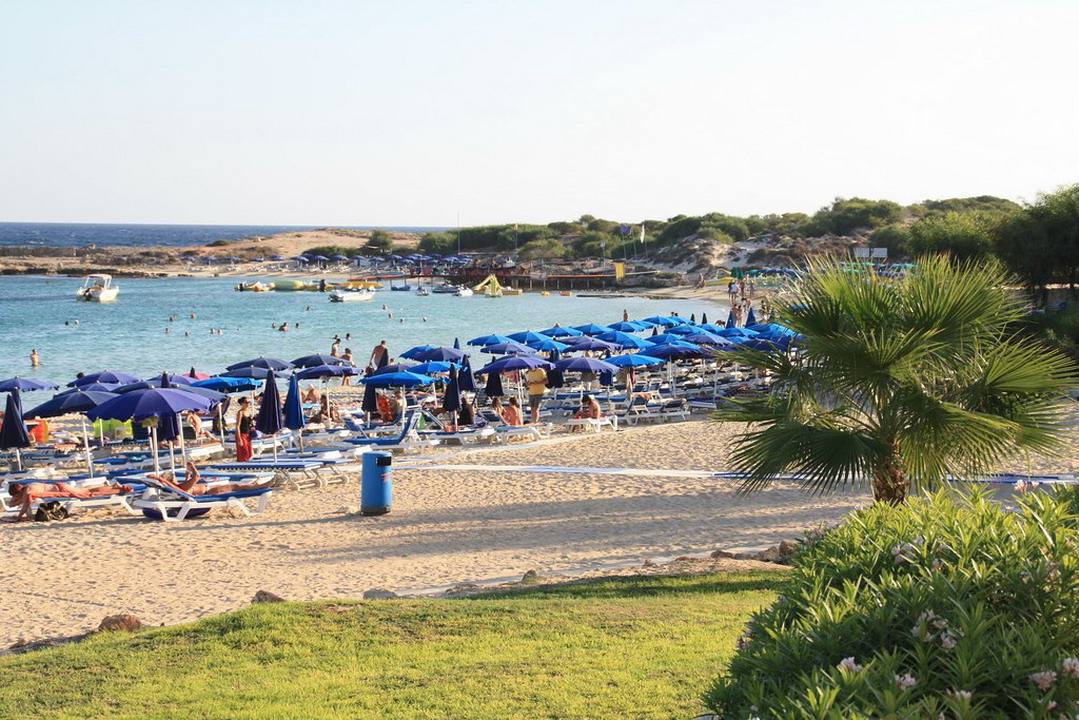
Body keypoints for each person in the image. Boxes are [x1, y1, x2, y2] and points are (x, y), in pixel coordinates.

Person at [5, 480, 132, 521]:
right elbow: (14, 503)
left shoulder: (28, 491)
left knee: (86, 493)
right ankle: (105, 484)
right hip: (60, 485)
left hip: (61, 489)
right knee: (84, 489)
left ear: (18, 492)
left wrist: (19, 517)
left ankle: (115, 488)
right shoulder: (28, 486)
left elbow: (25, 505)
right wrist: (17, 502)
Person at [149, 462, 266, 496]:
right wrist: (193, 467)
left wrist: (187, 475)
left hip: (209, 489)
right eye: (173, 476)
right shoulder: (181, 487)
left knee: (237, 486)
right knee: (236, 486)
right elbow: (197, 477)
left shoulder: (179, 486)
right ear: (171, 479)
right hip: (210, 491)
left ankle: (256, 485)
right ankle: (260, 486)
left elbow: (188, 484)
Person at [235, 397, 254, 462]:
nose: (248, 404)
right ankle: (242, 464)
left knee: (249, 451)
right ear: (242, 403)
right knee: (243, 451)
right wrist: (239, 438)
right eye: (246, 402)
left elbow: (250, 424)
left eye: (249, 402)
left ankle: (247, 463)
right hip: (242, 434)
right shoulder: (240, 413)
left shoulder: (249, 412)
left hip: (248, 434)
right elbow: (237, 426)